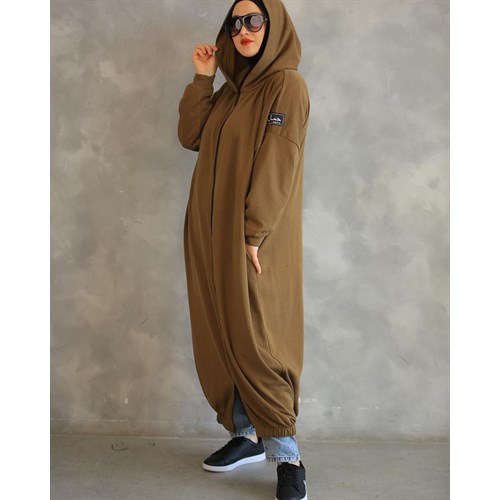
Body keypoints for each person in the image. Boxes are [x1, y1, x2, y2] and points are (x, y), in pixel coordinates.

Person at [177, 1, 310, 499]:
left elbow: (279, 163)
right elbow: (190, 135)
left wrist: (253, 234)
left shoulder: (286, 87)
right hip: (207, 232)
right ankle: (247, 434)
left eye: (254, 20)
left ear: (274, 26)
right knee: (218, 332)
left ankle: (287, 455)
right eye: (235, 22)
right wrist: (203, 79)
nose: (243, 29)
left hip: (251, 236)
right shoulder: (232, 92)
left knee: (258, 339)